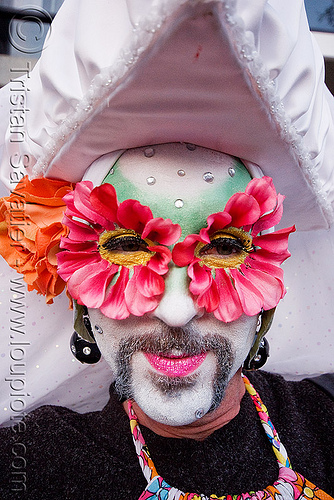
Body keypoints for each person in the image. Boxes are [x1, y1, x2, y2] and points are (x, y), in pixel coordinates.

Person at [0, 0, 334, 498]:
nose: (176, 311)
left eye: (222, 250)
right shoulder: (32, 470)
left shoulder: (324, 426)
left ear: (268, 288)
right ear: (79, 296)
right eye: (129, 248)